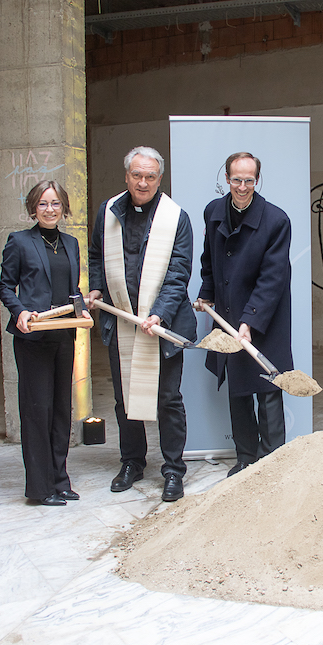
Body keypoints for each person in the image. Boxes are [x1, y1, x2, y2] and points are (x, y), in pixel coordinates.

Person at [86, 146, 196, 502]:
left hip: (161, 326)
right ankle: (132, 461)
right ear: (127, 176)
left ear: (159, 178)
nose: (143, 182)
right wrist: (97, 286)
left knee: (167, 400)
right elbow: (95, 256)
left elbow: (179, 274)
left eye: (150, 176)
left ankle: (173, 470)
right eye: (137, 175)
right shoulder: (108, 212)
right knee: (124, 399)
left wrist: (159, 312)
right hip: (121, 321)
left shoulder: (176, 218)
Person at [196, 152, 293, 477]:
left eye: (249, 180)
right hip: (227, 314)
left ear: (257, 180)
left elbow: (272, 278)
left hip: (266, 317)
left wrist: (250, 321)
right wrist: (206, 293)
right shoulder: (213, 212)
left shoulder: (276, 220)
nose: (242, 187)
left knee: (267, 388)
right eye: (236, 180)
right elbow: (208, 260)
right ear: (226, 178)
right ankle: (245, 458)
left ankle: (273, 461)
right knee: (238, 389)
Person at [0, 180, 89, 506]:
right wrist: (20, 311)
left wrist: (84, 304)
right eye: (43, 204)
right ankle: (40, 488)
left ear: (64, 207)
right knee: (38, 412)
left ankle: (60, 480)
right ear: (33, 208)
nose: (50, 210)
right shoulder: (19, 242)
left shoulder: (71, 242)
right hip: (33, 339)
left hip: (63, 336)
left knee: (62, 410)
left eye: (55, 204)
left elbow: (72, 290)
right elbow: (5, 287)